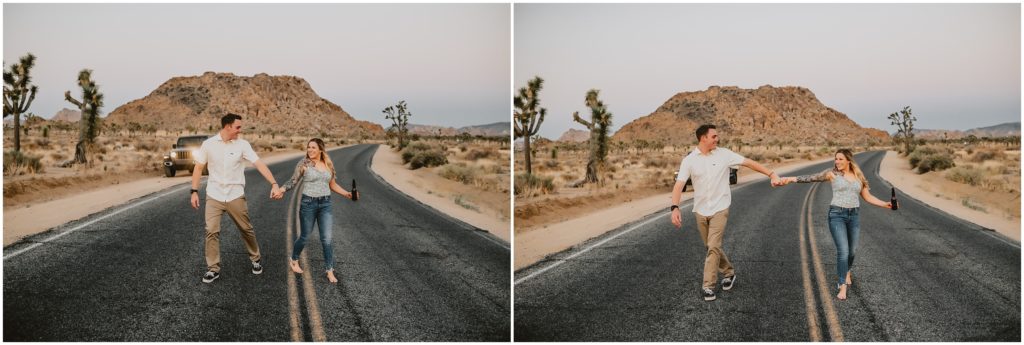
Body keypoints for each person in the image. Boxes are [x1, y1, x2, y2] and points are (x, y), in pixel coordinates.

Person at [670, 124, 782, 301]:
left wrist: (771, 174)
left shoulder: (724, 154)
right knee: (710, 246)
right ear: (703, 138)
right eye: (714, 136)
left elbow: (749, 162)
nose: (717, 139)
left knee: (713, 246)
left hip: (720, 208)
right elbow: (679, 185)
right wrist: (675, 207)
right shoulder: (689, 160)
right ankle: (729, 272)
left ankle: (708, 286)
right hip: (700, 209)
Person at [774, 149, 891, 300]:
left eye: (840, 159)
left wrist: (885, 204)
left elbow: (867, 197)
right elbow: (811, 177)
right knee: (843, 251)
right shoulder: (832, 174)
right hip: (837, 215)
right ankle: (842, 285)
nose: (837, 162)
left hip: (854, 216)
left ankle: (847, 270)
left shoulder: (858, 175)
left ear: (848, 160)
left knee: (852, 251)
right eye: (836, 159)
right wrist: (790, 179)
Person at [191, 113, 283, 284]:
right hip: (214, 195)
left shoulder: (243, 145)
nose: (240, 130)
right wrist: (194, 191)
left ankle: (255, 259)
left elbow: (259, 164)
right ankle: (213, 269)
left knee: (246, 229)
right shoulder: (208, 145)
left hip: (235, 195)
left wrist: (274, 183)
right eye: (237, 127)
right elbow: (198, 168)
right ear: (228, 127)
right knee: (211, 231)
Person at [276, 138, 355, 284]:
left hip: (325, 204)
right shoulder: (304, 163)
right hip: (308, 204)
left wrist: (347, 194)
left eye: (313, 147)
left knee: (327, 238)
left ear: (320, 149)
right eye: (309, 147)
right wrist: (281, 189)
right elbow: (293, 181)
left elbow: (332, 184)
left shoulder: (328, 164)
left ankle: (329, 270)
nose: (310, 150)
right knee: (305, 236)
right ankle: (294, 259)